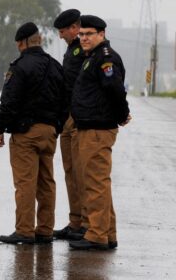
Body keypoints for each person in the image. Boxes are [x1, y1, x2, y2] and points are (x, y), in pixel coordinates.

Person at [0, 22, 67, 245]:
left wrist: (0, 128)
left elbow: (9, 101)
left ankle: (24, 230)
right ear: (40, 40)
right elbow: (66, 101)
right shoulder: (55, 66)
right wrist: (57, 126)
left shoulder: (19, 66)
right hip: (50, 132)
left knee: (25, 182)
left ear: (21, 43)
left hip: (26, 133)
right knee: (47, 182)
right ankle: (45, 229)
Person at [69, 15, 131, 250]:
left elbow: (114, 88)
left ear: (101, 34)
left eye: (89, 34)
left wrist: (122, 114)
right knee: (98, 183)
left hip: (97, 128)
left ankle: (96, 234)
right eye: (81, 34)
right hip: (90, 126)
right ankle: (108, 233)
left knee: (95, 183)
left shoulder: (105, 58)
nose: (83, 38)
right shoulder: (93, 57)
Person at [52, 9, 89, 240]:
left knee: (82, 173)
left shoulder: (82, 49)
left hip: (78, 117)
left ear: (75, 28)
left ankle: (87, 223)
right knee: (70, 172)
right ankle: (75, 221)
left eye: (63, 31)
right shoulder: (71, 50)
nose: (60, 35)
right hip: (67, 117)